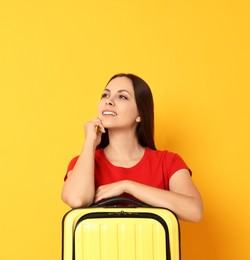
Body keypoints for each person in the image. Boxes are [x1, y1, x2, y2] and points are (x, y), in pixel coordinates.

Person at [61, 73, 203, 222]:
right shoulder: (83, 162)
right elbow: (76, 200)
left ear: (140, 114)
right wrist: (89, 142)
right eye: (105, 95)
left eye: (122, 96)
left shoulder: (168, 162)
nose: (109, 101)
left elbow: (194, 211)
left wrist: (127, 186)